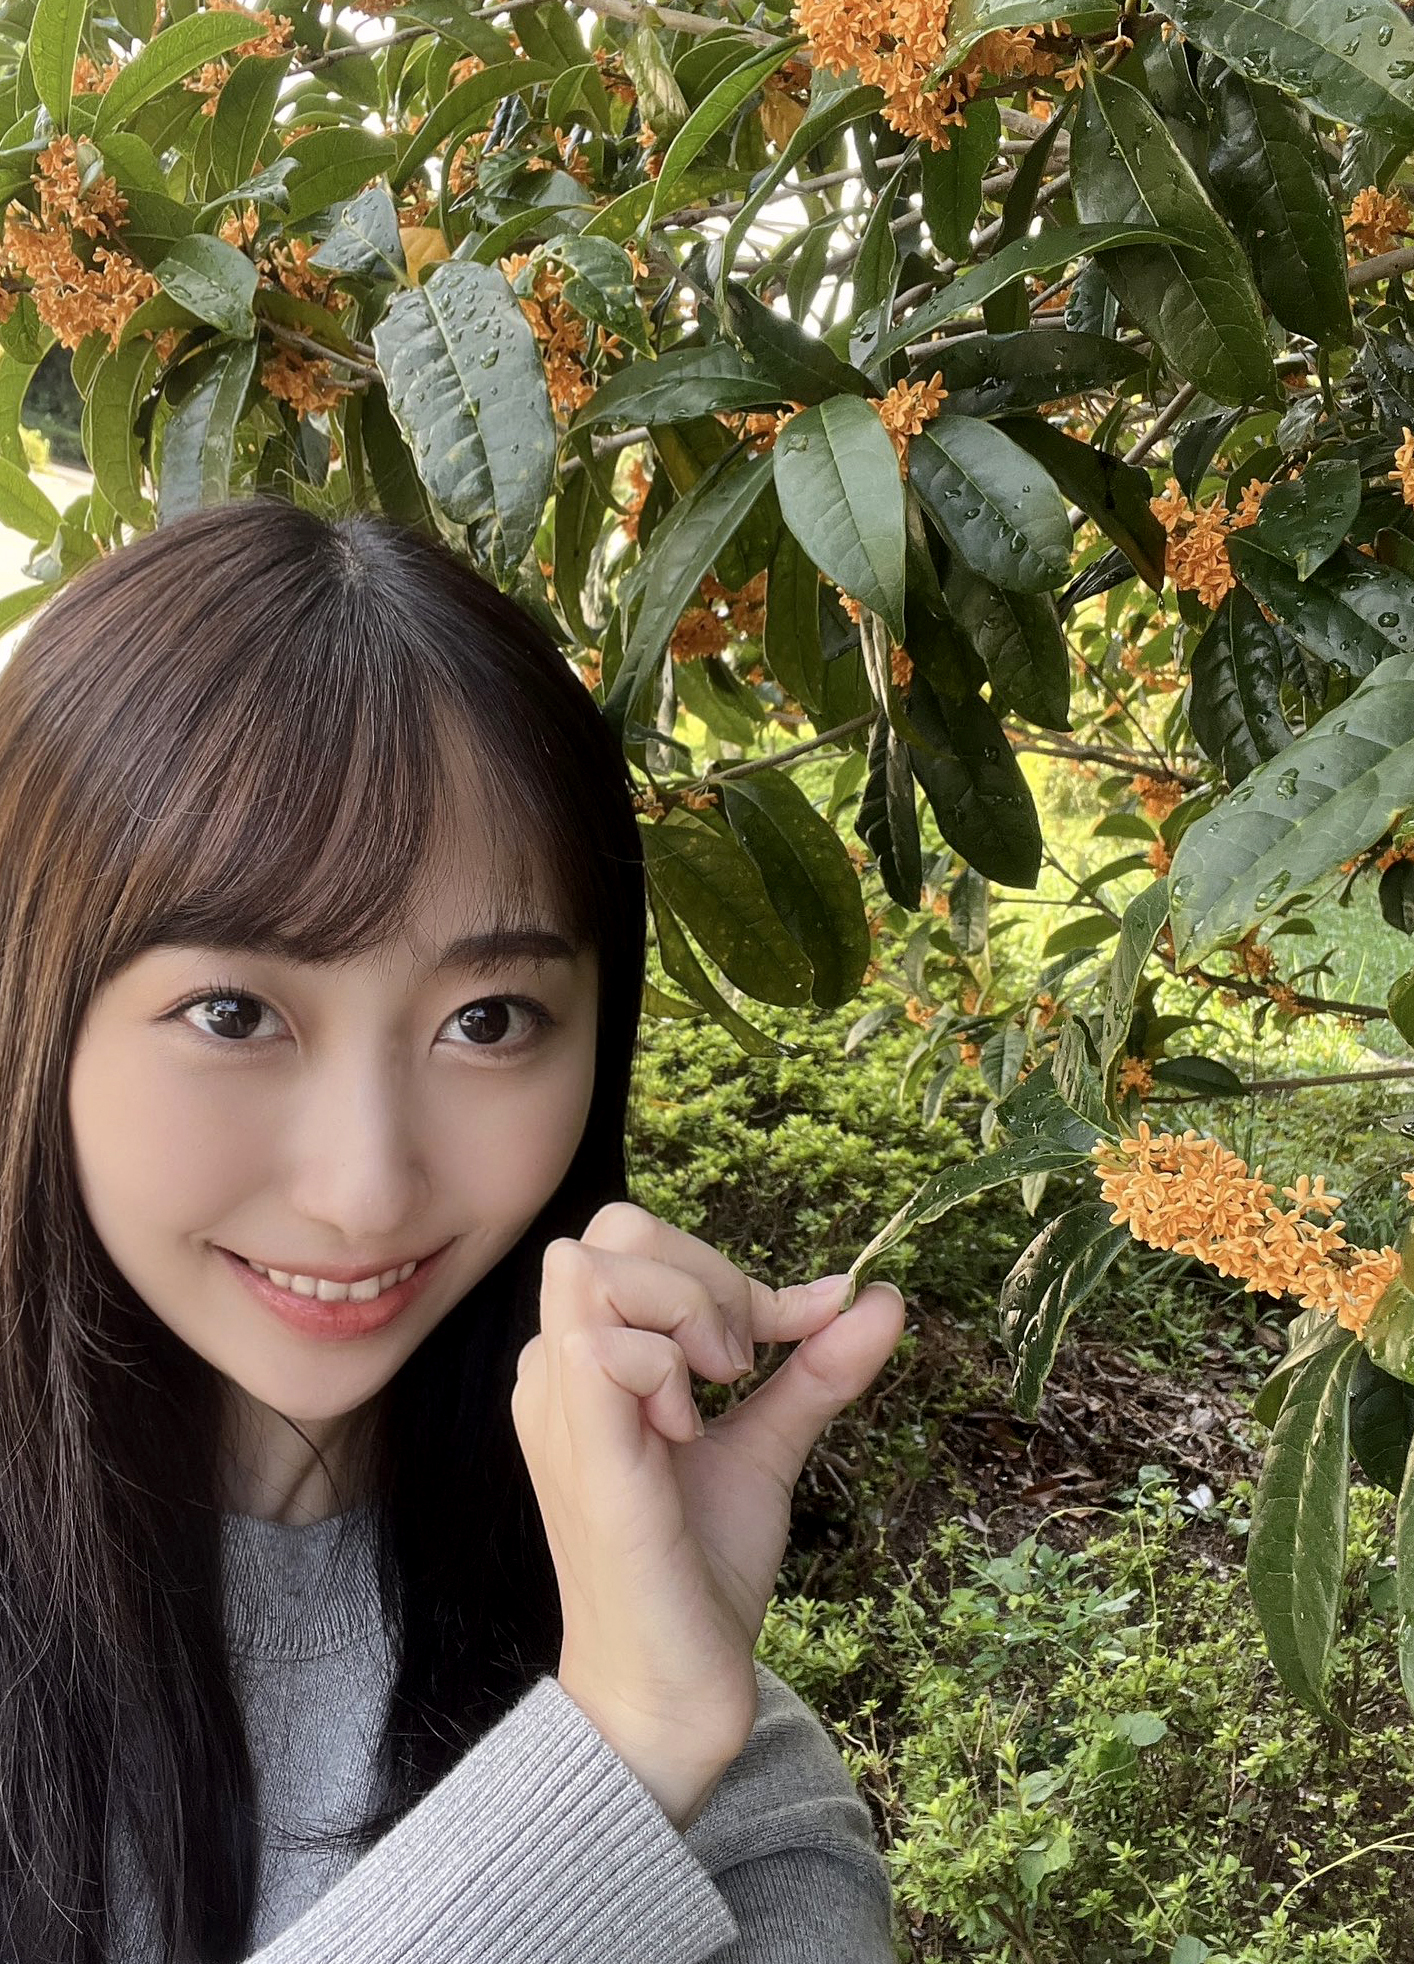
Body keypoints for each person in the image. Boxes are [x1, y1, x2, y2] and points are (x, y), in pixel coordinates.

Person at [0, 493, 907, 1962]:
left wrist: (637, 1731)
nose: (366, 1190)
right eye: (231, 1012)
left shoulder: (725, 1792)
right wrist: (604, 1772)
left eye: (488, 1020)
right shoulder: (651, 1750)